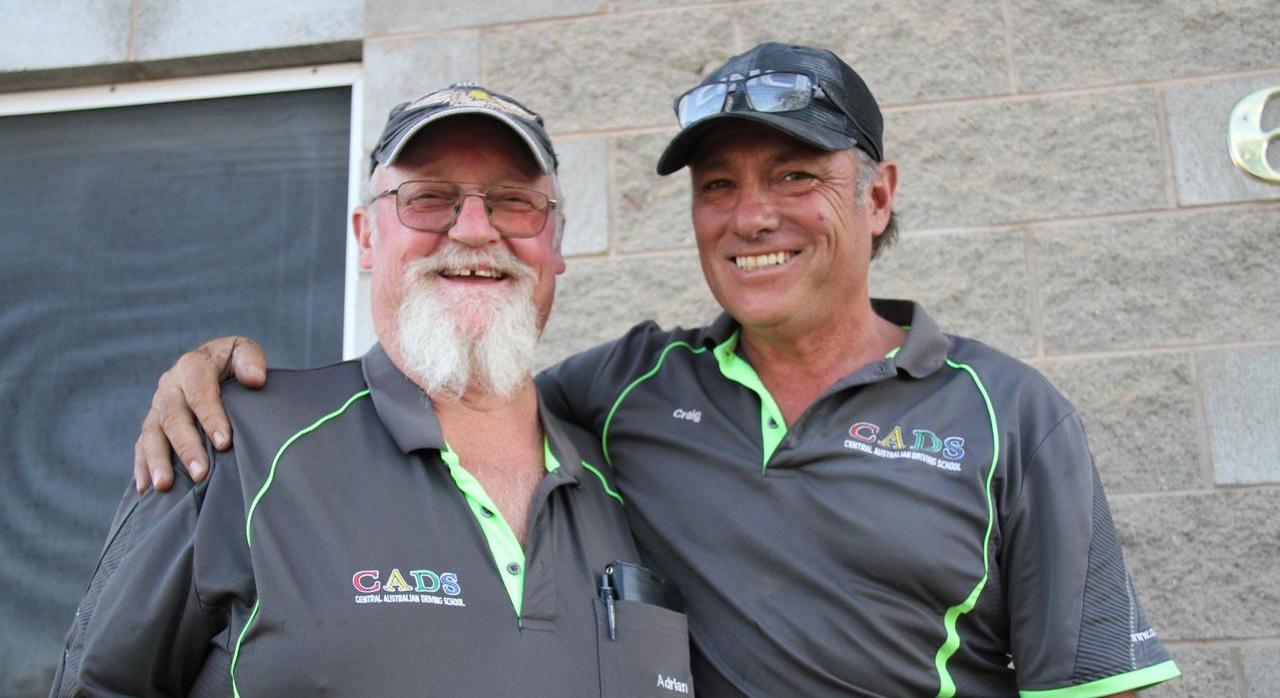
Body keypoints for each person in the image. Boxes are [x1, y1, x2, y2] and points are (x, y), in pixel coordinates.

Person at [128, 44, 1180, 697]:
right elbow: (463, 363)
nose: (750, 216)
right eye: (715, 185)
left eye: (795, 176)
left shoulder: (1007, 413)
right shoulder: (628, 392)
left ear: (877, 195)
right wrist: (214, 369)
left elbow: (1089, 687)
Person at [50, 84, 693, 697]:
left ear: (555, 244)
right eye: (428, 198)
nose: (473, 229)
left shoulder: (626, 479)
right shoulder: (234, 446)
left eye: (514, 201)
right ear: (365, 235)